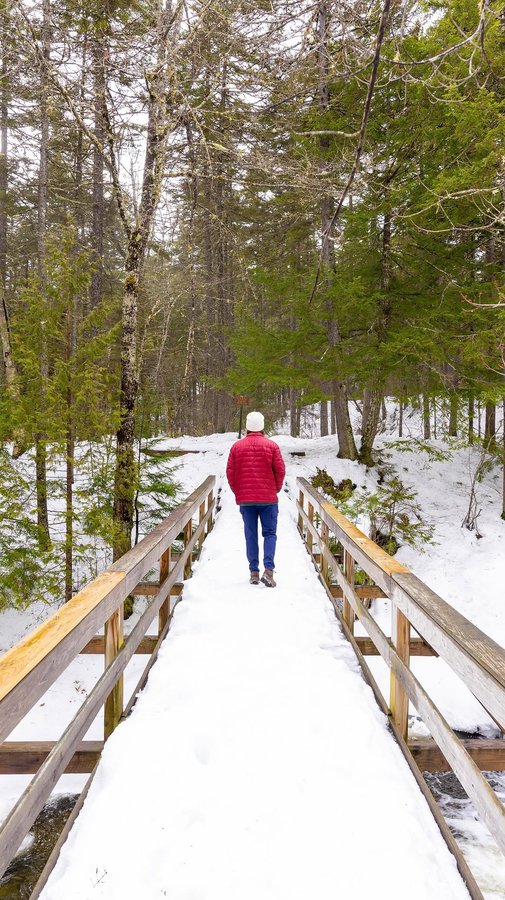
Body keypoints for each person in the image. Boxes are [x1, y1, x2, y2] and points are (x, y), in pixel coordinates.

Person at [226, 411, 286, 587]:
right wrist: (275, 488)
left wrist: (238, 492)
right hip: (268, 500)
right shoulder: (272, 446)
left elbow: (230, 473)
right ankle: (268, 571)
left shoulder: (237, 447)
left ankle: (253, 572)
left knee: (250, 535)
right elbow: (280, 470)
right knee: (269, 534)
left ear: (246, 427)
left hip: (247, 501)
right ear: (262, 427)